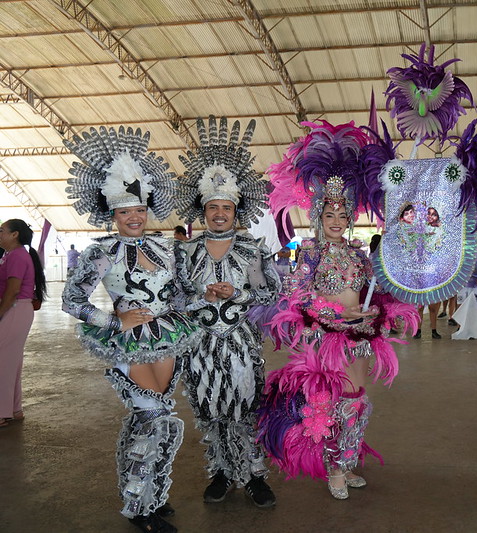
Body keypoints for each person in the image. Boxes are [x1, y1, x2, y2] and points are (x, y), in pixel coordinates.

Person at [257, 121, 419, 500]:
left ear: (349, 218)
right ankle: (333, 468)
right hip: (327, 336)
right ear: (318, 217)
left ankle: (347, 460)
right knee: (332, 401)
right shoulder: (310, 254)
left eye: (342, 216)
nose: (335, 222)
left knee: (358, 398)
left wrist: (375, 313)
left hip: (361, 336)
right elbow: (296, 295)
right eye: (329, 216)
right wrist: (335, 316)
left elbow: (372, 294)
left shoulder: (359, 255)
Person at [61, 126, 199, 533]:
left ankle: (150, 493)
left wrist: (203, 298)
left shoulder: (163, 248)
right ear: (112, 214)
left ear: (148, 208)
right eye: (125, 212)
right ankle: (140, 509)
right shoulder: (100, 252)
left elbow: (176, 295)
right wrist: (113, 320)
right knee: (152, 415)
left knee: (156, 416)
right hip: (127, 342)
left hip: (165, 336)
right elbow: (72, 301)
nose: (134, 217)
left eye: (139, 209)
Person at [174, 117, 282, 508]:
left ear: (237, 210)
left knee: (246, 411)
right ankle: (219, 472)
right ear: (202, 210)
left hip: (241, 345)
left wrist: (238, 292)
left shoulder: (252, 248)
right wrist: (200, 297)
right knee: (208, 411)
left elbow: (272, 291)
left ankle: (254, 476)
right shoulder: (185, 252)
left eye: (226, 207)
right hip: (199, 345)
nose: (220, 213)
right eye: (213, 207)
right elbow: (174, 298)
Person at [0, 219, 47, 428]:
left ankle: (2, 412)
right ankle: (13, 409)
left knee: (3, 363)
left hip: (15, 308)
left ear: (14, 235)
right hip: (16, 309)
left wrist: (0, 313)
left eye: (2, 230)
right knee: (10, 361)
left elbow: (13, 289)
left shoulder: (18, 256)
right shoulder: (11, 255)